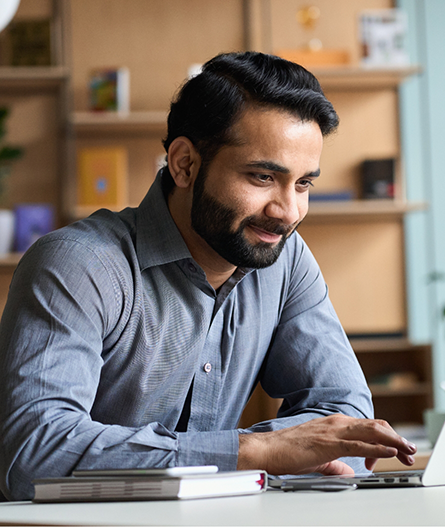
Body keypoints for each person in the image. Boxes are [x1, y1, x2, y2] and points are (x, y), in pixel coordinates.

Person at [0, 51, 416, 501]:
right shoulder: (78, 265)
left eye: (303, 184)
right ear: (184, 165)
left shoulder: (286, 259)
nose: (288, 212)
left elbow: (347, 417)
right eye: (261, 177)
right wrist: (253, 451)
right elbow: (34, 457)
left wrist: (274, 453)